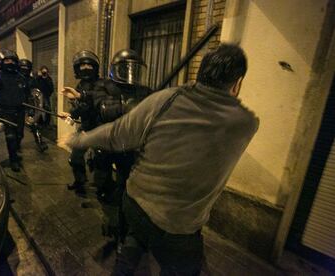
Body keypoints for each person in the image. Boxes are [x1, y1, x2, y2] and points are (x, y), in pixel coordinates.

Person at [65, 44, 259, 275]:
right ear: (237, 83)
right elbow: (103, 110)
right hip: (175, 221)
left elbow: (118, 132)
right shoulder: (246, 122)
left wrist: (79, 139)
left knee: (136, 235)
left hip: (138, 196)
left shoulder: (162, 98)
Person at [62, 49, 152, 242]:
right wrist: (78, 104)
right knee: (101, 180)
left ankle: (122, 224)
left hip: (130, 146)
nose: (130, 73)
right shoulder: (106, 86)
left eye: (134, 69)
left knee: (126, 185)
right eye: (125, 68)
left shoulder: (144, 90)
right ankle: (109, 214)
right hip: (104, 139)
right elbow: (101, 106)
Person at [62, 50, 103, 195]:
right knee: (75, 158)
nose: (85, 68)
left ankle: (104, 188)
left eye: (88, 64)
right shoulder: (80, 85)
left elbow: (95, 100)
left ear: (95, 66)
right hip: (86, 126)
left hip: (101, 128)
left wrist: (80, 96)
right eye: (82, 65)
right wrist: (70, 114)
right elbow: (81, 107)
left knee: (102, 162)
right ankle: (80, 182)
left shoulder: (102, 84)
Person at [0, 49, 29, 172]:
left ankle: (15, 151)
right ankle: (13, 160)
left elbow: (26, 95)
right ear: (2, 62)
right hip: (4, 112)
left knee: (19, 135)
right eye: (7, 60)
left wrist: (30, 110)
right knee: (11, 137)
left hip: (19, 112)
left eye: (12, 60)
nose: (10, 62)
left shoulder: (20, 77)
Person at [19, 58, 48, 153]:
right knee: (18, 128)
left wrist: (42, 78)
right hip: (17, 105)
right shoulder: (15, 79)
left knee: (34, 124)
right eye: (23, 68)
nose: (25, 70)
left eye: (26, 68)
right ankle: (16, 144)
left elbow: (40, 90)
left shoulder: (32, 80)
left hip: (30, 105)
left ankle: (40, 142)